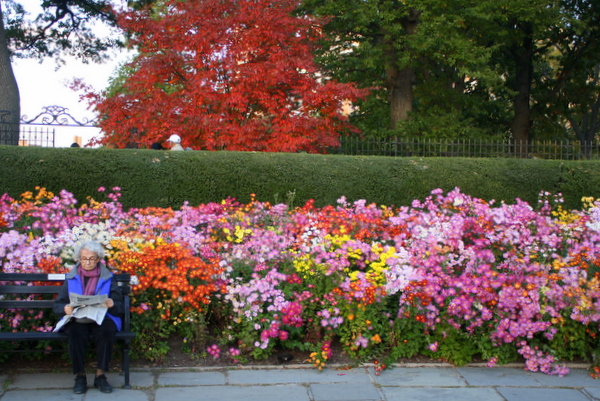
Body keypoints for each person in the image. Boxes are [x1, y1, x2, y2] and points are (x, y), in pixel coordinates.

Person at [53, 240, 124, 394]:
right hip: (78, 318)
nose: (87, 262)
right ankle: (80, 376)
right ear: (79, 259)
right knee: (75, 334)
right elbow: (58, 305)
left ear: (98, 259)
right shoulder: (71, 277)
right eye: (84, 258)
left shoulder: (107, 277)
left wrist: (112, 304)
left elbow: (120, 306)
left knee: (106, 332)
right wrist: (65, 309)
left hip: (102, 316)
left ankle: (100, 376)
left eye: (91, 258)